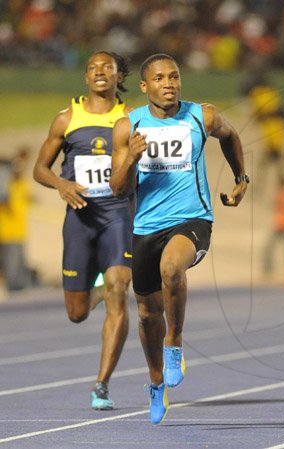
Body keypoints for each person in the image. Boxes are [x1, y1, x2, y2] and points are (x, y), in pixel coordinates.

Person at [110, 53, 249, 424]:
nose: (168, 83)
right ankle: (156, 382)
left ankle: (175, 341)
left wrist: (241, 178)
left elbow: (231, 135)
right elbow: (118, 188)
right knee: (145, 314)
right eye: (159, 78)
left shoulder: (201, 116)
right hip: (146, 227)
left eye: (174, 76)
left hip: (193, 219)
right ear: (145, 86)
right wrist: (131, 159)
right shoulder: (128, 127)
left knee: (172, 267)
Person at [33, 51, 133, 410]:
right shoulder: (66, 119)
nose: (99, 72)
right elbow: (39, 169)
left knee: (119, 288)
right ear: (86, 78)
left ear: (119, 75)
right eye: (92, 67)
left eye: (107, 67)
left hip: (118, 215)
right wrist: (61, 184)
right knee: (76, 313)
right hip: (79, 218)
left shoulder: (130, 119)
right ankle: (98, 286)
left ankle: (101, 385)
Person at [0, 147, 39, 291]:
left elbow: (31, 198)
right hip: (8, 230)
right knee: (11, 262)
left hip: (20, 230)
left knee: (19, 261)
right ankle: (13, 287)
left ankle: (20, 286)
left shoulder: (22, 183)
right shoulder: (7, 184)